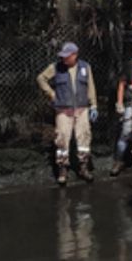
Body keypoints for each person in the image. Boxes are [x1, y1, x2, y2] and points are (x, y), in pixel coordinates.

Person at [36, 41, 98, 186]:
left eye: (67, 56)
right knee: (62, 139)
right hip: (63, 110)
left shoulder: (85, 67)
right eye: (62, 56)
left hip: (82, 110)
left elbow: (91, 86)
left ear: (75, 55)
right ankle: (63, 170)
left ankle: (83, 168)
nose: (64, 59)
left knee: (84, 139)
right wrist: (51, 94)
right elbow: (41, 78)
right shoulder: (56, 67)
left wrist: (94, 105)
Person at [110, 45, 132, 176]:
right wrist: (119, 103)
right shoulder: (131, 66)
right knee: (126, 132)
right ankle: (118, 161)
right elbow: (122, 84)